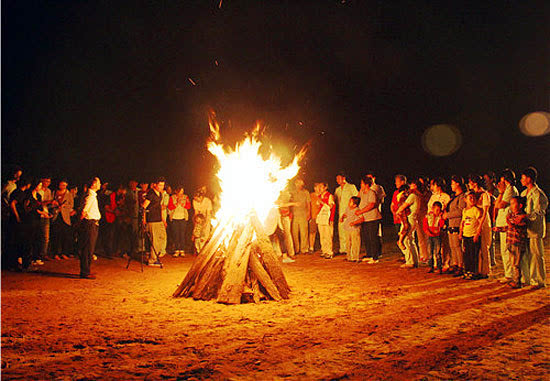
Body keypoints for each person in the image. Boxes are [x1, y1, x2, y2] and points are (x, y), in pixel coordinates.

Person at [519, 167, 548, 288]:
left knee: (537, 255)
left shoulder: (538, 194)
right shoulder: (524, 193)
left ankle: (540, 281)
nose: (521, 180)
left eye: (523, 178)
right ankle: (528, 279)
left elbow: (538, 212)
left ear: (529, 179)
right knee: (526, 256)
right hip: (525, 229)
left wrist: (525, 216)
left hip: (535, 229)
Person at [493, 169, 519, 283]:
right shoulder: (507, 190)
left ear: (505, 179)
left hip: (506, 223)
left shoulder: (510, 190)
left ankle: (510, 275)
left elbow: (500, 205)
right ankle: (508, 274)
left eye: (501, 179)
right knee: (504, 249)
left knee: (507, 250)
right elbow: (496, 204)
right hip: (503, 222)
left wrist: (500, 192)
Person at [468, 175, 493, 278]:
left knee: (484, 246)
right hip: (475, 221)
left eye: (470, 182)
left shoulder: (484, 195)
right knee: (476, 248)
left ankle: (485, 271)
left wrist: (480, 226)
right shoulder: (473, 194)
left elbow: (485, 212)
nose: (469, 184)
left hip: (483, 221)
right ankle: (477, 270)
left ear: (475, 183)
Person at [355, 176, 382, 263]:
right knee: (366, 237)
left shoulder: (371, 193)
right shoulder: (362, 192)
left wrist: (361, 211)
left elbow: (372, 205)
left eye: (362, 183)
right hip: (365, 218)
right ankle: (369, 254)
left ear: (367, 185)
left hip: (372, 218)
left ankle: (375, 257)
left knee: (372, 237)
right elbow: (357, 199)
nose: (361, 185)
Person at [79, 177, 101, 279]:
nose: (100, 185)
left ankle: (86, 270)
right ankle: (85, 271)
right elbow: (84, 211)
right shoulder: (90, 196)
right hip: (90, 223)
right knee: (88, 248)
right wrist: (80, 222)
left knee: (89, 248)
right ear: (93, 185)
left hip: (91, 223)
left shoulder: (92, 196)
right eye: (98, 183)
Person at [427, 178, 451, 271]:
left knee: (444, 243)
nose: (432, 187)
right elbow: (429, 208)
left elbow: (446, 209)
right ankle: (435, 263)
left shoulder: (446, 197)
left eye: (434, 185)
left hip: (442, 222)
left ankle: (446, 263)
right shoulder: (433, 197)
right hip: (433, 223)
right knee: (433, 245)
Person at [444, 176, 466, 276]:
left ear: (458, 184)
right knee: (452, 246)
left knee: (457, 246)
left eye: (453, 183)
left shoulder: (462, 197)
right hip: (451, 224)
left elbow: (461, 211)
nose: (451, 186)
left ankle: (461, 265)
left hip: (457, 223)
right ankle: (455, 264)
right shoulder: (454, 197)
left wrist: (447, 215)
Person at [396, 178, 421, 268]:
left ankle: (410, 261)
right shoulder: (417, 195)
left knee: (404, 240)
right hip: (413, 219)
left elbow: (404, 205)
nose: (410, 186)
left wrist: (398, 211)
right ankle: (415, 260)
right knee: (411, 240)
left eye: (412, 185)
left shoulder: (413, 196)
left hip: (409, 219)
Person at [7, 178, 31, 270]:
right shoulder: (20, 193)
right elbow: (12, 203)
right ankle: (15, 264)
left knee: (15, 241)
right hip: (16, 220)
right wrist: (17, 216)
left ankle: (14, 263)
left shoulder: (16, 191)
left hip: (15, 219)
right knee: (17, 240)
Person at [142, 178, 167, 266]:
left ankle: (158, 253)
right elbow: (144, 206)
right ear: (155, 185)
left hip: (159, 219)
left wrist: (163, 219)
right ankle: (152, 260)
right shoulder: (151, 194)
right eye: (160, 185)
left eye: (163, 185)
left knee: (162, 237)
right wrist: (144, 219)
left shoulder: (160, 194)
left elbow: (159, 206)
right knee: (155, 240)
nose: (161, 187)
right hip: (152, 220)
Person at [504, 196, 528, 288]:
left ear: (520, 205)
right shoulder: (512, 216)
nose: (511, 206)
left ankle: (517, 281)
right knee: (512, 261)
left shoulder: (522, 217)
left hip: (517, 242)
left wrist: (509, 223)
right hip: (510, 241)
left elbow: (518, 227)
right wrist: (500, 229)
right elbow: (509, 228)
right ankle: (515, 279)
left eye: (513, 203)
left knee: (516, 264)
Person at [460, 192, 482, 280]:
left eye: (473, 198)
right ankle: (467, 271)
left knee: (474, 254)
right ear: (465, 200)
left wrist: (477, 234)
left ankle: (474, 272)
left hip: (473, 235)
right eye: (470, 198)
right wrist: (460, 233)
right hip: (466, 235)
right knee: (466, 254)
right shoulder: (465, 211)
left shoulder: (476, 210)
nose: (472, 200)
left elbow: (480, 222)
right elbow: (463, 222)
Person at [334, 173, 358, 256]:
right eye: (336, 179)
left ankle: (350, 249)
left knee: (349, 231)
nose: (337, 180)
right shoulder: (337, 190)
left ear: (344, 178)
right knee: (341, 231)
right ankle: (343, 249)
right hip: (340, 212)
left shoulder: (351, 187)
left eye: (339, 178)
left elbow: (356, 198)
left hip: (350, 212)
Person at [51, 179, 75, 260]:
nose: (62, 187)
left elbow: (71, 205)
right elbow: (51, 203)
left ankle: (65, 253)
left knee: (65, 235)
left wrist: (64, 207)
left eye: (64, 185)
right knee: (56, 235)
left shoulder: (69, 194)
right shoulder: (54, 192)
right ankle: (56, 253)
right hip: (56, 215)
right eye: (61, 185)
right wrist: (55, 205)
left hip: (65, 216)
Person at [168, 185, 191, 256]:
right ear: (176, 191)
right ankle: (176, 250)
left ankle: (182, 249)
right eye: (180, 192)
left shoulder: (185, 197)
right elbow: (170, 207)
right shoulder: (172, 197)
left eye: (182, 192)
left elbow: (189, 206)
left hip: (183, 218)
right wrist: (177, 203)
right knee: (176, 234)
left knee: (182, 234)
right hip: (174, 218)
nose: (181, 193)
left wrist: (182, 204)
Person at [339, 196, 364, 262]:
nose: (349, 203)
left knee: (355, 243)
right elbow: (345, 214)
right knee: (348, 243)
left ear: (355, 205)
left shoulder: (357, 210)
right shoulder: (348, 209)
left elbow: (362, 219)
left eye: (350, 202)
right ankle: (349, 256)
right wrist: (342, 217)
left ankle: (355, 257)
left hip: (354, 229)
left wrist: (354, 222)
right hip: (347, 228)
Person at [423, 201, 445, 273]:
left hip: (437, 236)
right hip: (430, 236)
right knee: (430, 252)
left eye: (439, 210)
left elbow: (441, 225)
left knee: (438, 252)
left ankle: (439, 267)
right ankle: (430, 266)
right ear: (433, 208)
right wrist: (427, 232)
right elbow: (425, 225)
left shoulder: (439, 217)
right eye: (436, 210)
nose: (437, 212)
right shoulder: (428, 216)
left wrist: (441, 217)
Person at [291, 178, 311, 255]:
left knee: (304, 232)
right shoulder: (292, 193)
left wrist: (309, 213)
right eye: (298, 183)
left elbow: (308, 203)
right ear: (295, 184)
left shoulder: (306, 192)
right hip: (295, 215)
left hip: (303, 214)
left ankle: (304, 249)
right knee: (294, 232)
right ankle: (296, 249)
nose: (300, 185)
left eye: (301, 184)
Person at [316, 182, 335, 259]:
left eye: (321, 187)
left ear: (325, 187)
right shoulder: (319, 196)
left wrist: (322, 202)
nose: (319, 188)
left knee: (328, 235)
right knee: (322, 235)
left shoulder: (329, 196)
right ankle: (324, 250)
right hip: (321, 218)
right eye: (319, 187)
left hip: (328, 218)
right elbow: (318, 207)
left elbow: (330, 207)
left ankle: (329, 252)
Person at [192, 186, 213, 253]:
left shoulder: (207, 201)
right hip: (199, 219)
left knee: (205, 236)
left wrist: (206, 223)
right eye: (194, 199)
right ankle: (199, 251)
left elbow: (208, 214)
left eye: (196, 199)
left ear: (200, 197)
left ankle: (205, 251)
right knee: (197, 236)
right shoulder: (194, 201)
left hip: (206, 219)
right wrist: (196, 222)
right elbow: (196, 212)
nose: (195, 200)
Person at [38, 176, 53, 261]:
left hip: (46, 214)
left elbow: (48, 204)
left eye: (49, 181)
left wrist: (52, 204)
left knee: (46, 236)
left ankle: (43, 254)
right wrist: (48, 202)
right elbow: (38, 203)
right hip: (39, 215)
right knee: (37, 235)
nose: (48, 183)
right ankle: (36, 255)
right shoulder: (37, 190)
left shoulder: (48, 191)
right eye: (46, 181)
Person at [391, 174, 407, 245]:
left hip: (404, 218)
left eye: (397, 181)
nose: (395, 183)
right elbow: (392, 205)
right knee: (399, 235)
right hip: (397, 219)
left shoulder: (407, 193)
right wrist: (394, 213)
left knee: (405, 237)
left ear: (403, 182)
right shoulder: (396, 193)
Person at [395, 184, 411, 251]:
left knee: (405, 226)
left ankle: (401, 234)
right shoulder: (403, 196)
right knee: (406, 225)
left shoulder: (400, 196)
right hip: (403, 212)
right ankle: (400, 241)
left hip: (402, 212)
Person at [308, 183, 322, 253]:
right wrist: (309, 215)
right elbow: (308, 206)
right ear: (314, 188)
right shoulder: (311, 195)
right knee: (312, 232)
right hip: (313, 216)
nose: (319, 189)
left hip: (321, 217)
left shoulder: (322, 195)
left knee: (322, 233)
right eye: (317, 187)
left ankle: (323, 247)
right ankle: (311, 247)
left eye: (320, 187)